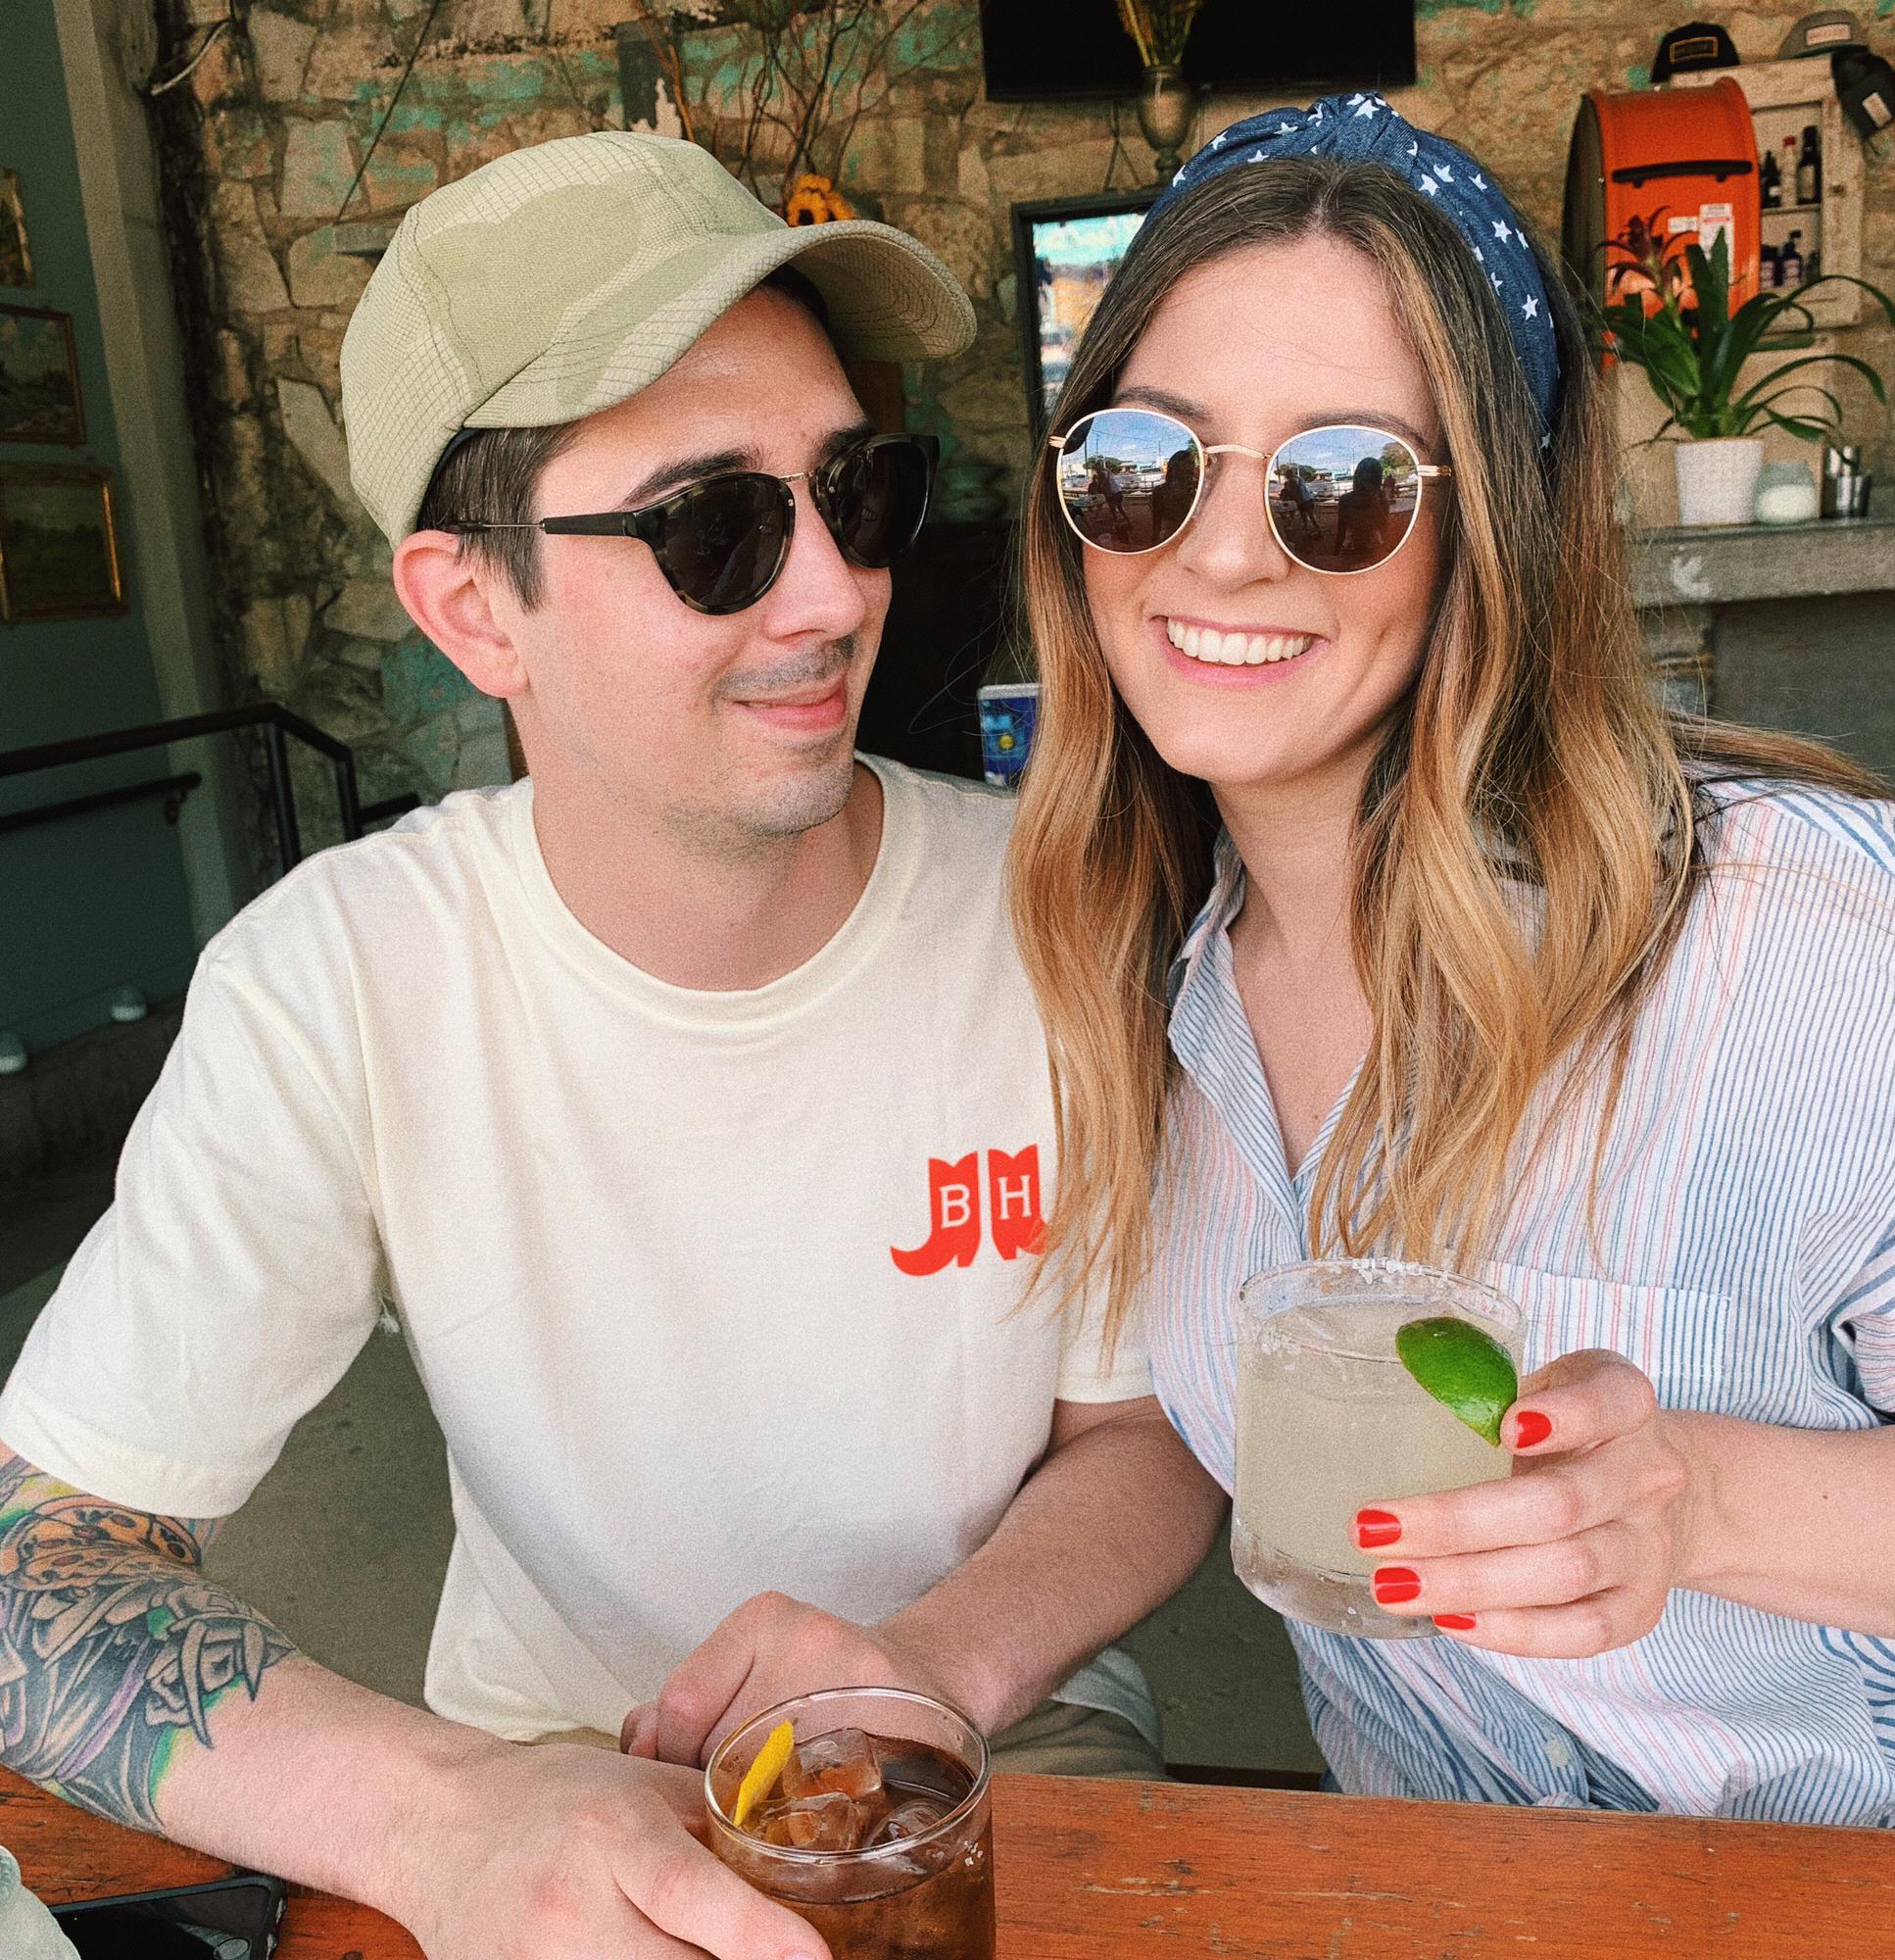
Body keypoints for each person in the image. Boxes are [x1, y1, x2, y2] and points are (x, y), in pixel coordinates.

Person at [0, 133, 1223, 1958]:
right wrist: (439, 1818)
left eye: (855, 493)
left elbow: (1148, 1425)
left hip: (995, 1732)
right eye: (715, 530)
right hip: (539, 1766)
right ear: (471, 609)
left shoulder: (1057, 912)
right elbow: (37, 1566)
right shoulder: (342, 981)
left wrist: (919, 1666)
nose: (835, 594)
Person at [1008, 95, 1895, 1830]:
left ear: (1491, 534)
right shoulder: (1136, 971)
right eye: (1146, 460)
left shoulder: (1801, 936)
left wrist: (1700, 1502)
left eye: (1344, 486)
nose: (1220, 550)